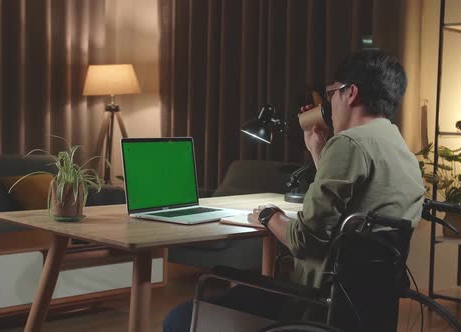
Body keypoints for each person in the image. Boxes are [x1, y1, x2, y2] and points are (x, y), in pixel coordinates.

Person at [163, 49, 425, 332]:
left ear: (350, 93)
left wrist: (268, 216)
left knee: (179, 318)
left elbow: (303, 239)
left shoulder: (349, 143)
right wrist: (317, 149)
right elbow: (355, 204)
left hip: (313, 304)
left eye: (331, 93)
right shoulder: (399, 148)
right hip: (364, 310)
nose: (329, 103)